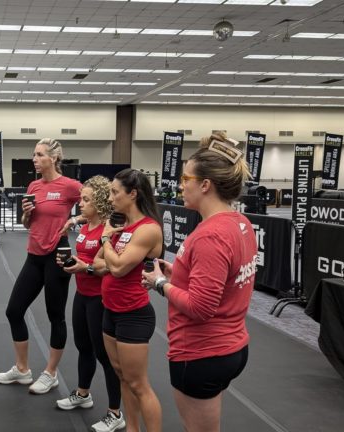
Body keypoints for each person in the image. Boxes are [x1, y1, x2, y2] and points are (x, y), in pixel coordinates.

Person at [142, 133, 257, 432]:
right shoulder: (240, 223)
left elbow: (202, 307)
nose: (181, 184)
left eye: (185, 177)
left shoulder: (210, 235)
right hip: (231, 348)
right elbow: (228, 281)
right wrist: (178, 275)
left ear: (205, 184)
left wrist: (160, 284)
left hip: (201, 354)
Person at [0, 138, 81, 395]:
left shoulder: (70, 186)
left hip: (57, 255)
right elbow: (27, 224)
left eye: (39, 154)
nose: (34, 158)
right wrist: (26, 214)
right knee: (14, 310)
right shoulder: (33, 185)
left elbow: (97, 204)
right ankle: (22, 370)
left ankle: (51, 373)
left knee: (55, 316)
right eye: (33, 154)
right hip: (34, 255)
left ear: (53, 158)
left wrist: (75, 218)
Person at [54, 175, 136, 432]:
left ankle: (115, 413)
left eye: (86, 200)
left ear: (99, 202)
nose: (80, 204)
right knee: (83, 347)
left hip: (101, 298)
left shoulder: (110, 229)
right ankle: (83, 393)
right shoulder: (87, 223)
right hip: (82, 295)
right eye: (81, 198)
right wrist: (71, 262)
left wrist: (84, 266)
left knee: (106, 356)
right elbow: (86, 257)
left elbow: (109, 267)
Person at [99, 168, 163, 432]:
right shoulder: (125, 227)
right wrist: (109, 248)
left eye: (115, 192)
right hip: (110, 310)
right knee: (122, 376)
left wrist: (105, 238)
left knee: (139, 384)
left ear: (133, 194)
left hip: (133, 314)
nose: (111, 198)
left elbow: (117, 268)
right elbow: (100, 263)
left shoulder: (147, 229)